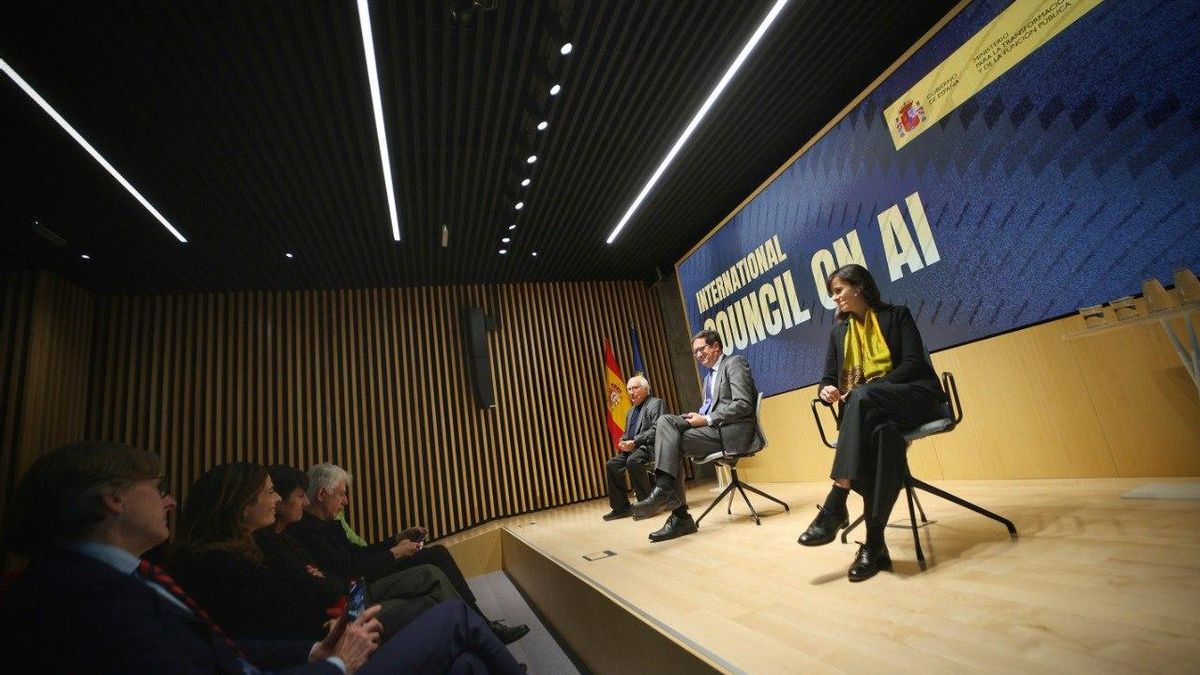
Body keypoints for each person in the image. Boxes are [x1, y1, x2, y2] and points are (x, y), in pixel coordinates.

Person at [0, 440, 524, 674]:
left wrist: (315, 653)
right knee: (450, 615)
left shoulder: (123, 581)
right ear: (113, 499)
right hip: (319, 652)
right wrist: (333, 662)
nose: (170, 499)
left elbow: (231, 649)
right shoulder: (96, 604)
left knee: (466, 663)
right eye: (156, 487)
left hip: (305, 651)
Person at [172, 463, 449, 641]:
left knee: (431, 573)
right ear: (242, 506)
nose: (279, 499)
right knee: (430, 597)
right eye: (272, 493)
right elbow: (328, 583)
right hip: (334, 626)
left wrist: (394, 543)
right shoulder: (252, 552)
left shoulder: (282, 539)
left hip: (344, 605)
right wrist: (390, 557)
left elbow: (334, 572)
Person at [797, 263, 947, 581]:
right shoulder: (838, 333)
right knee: (883, 436)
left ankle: (837, 500)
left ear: (860, 286)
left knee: (863, 397)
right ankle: (874, 545)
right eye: (832, 293)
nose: (835, 298)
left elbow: (913, 364)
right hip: (872, 415)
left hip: (912, 398)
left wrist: (872, 389)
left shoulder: (897, 315)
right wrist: (827, 390)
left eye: (838, 290)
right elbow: (827, 377)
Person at [287, 463, 529, 644]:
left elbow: (359, 552)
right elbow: (351, 566)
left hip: (361, 581)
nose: (346, 501)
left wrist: (397, 539)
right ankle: (483, 627)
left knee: (436, 555)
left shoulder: (328, 522)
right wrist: (395, 553)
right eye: (341, 493)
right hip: (357, 590)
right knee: (433, 560)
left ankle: (481, 623)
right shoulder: (309, 530)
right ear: (322, 494)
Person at [631, 329, 763, 542]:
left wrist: (707, 420)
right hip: (713, 429)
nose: (699, 355)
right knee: (666, 423)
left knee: (671, 438)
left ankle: (676, 510)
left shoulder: (734, 363)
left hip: (733, 432)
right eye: (696, 352)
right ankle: (671, 503)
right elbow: (710, 409)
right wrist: (699, 415)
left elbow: (743, 405)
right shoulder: (709, 376)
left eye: (702, 349)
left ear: (716, 347)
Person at [602, 375, 666, 521]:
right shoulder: (630, 411)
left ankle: (647, 505)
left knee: (633, 461)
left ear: (646, 389)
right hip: (633, 448)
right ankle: (621, 508)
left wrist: (635, 441)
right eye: (629, 389)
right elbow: (626, 433)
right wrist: (622, 442)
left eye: (635, 388)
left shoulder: (656, 404)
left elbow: (657, 429)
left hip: (649, 447)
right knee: (611, 465)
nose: (631, 392)